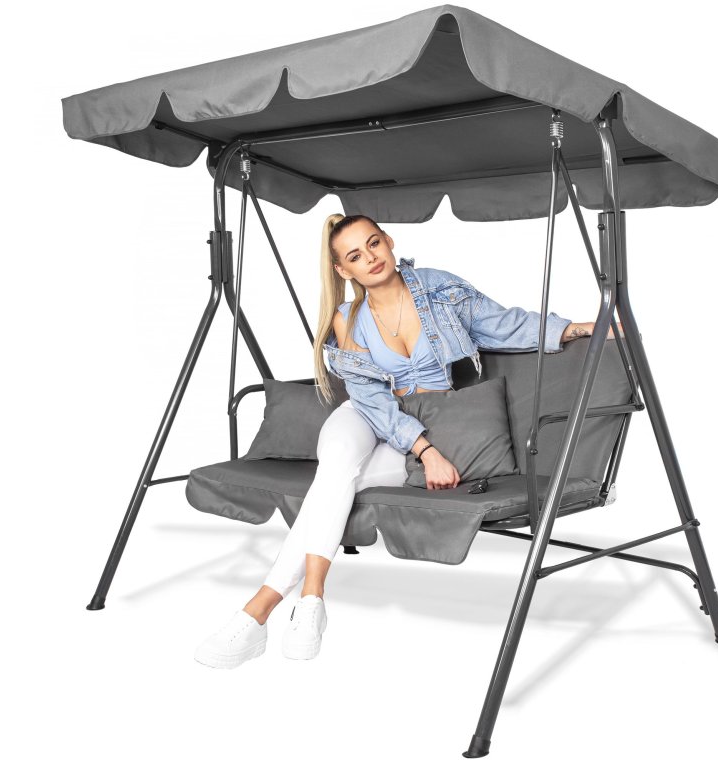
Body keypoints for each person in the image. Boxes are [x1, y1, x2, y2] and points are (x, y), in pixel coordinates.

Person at [194, 213, 615, 669]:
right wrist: (425, 451)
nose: (370, 258)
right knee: (339, 457)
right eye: (355, 255)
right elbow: (371, 400)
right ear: (343, 270)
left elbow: (504, 324)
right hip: (369, 417)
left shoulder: (439, 289)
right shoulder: (347, 320)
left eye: (374, 243)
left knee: (335, 486)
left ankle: (257, 614)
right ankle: (310, 598)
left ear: (389, 241)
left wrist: (577, 328)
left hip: (432, 421)